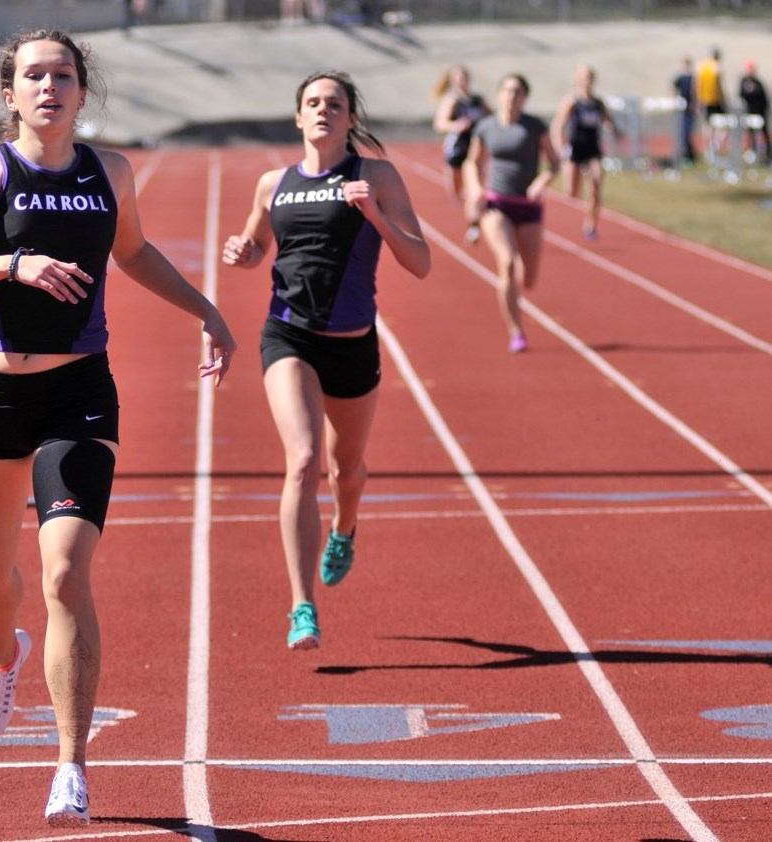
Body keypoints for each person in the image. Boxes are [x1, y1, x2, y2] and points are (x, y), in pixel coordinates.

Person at [0, 29, 235, 827]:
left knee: (63, 575)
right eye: (33, 76)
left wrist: (209, 311)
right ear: (10, 95)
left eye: (63, 75)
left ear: (84, 92)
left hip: (80, 394)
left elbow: (137, 253)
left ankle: (71, 766)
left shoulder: (109, 172)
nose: (49, 87)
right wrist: (8, 265)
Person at [222, 71, 429, 652]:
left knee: (348, 469)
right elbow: (256, 246)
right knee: (304, 460)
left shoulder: (376, 176)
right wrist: (244, 253)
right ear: (298, 118)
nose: (322, 112)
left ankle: (345, 526)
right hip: (289, 337)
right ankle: (302, 605)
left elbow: (421, 262)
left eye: (334, 104)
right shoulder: (273, 184)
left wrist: (376, 218)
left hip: (353, 345)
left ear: (349, 119)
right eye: (312, 103)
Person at [464, 73, 559, 353]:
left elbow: (554, 163)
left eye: (517, 92)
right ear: (498, 94)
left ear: (524, 98)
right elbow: (472, 162)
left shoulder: (534, 126)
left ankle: (516, 288)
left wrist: (541, 182)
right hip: (497, 204)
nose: (511, 96)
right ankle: (516, 331)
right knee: (506, 262)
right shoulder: (486, 126)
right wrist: (475, 188)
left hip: (528, 206)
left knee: (528, 278)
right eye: (506, 90)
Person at [551, 65, 618, 240]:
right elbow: (558, 124)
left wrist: (615, 130)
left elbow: (608, 120)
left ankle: (590, 225)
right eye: (584, 77)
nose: (587, 80)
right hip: (575, 148)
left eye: (590, 77)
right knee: (571, 192)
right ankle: (579, 182)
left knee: (596, 188)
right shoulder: (573, 101)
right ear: (578, 80)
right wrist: (560, 148)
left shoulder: (597, 103)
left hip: (593, 150)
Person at [431, 64, 490, 243]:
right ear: (453, 81)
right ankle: (464, 211)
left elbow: (493, 116)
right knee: (457, 191)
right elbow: (439, 124)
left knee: (475, 188)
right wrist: (456, 125)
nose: (462, 81)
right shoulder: (452, 100)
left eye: (464, 77)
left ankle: (473, 226)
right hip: (457, 147)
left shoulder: (478, 100)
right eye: (458, 78)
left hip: (476, 147)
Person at [696, 47, 727, 161]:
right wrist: (724, 100)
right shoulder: (716, 67)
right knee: (723, 126)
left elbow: (697, 85)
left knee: (707, 126)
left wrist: (697, 101)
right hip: (715, 100)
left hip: (704, 100)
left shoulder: (701, 66)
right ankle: (714, 146)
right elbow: (719, 87)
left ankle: (708, 149)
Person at [738, 60, 770, 165]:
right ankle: (752, 153)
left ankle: (768, 153)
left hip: (760, 113)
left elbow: (764, 99)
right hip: (749, 113)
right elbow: (740, 96)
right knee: (750, 134)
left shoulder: (758, 83)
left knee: (763, 133)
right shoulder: (743, 82)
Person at [672, 57, 698, 165]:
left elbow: (695, 92)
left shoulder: (693, 78)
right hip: (681, 109)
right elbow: (673, 88)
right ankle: (686, 153)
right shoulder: (680, 78)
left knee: (687, 132)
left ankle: (690, 154)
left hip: (690, 109)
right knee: (682, 132)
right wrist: (675, 101)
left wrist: (695, 104)